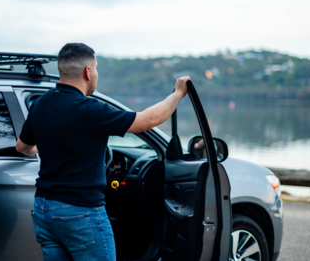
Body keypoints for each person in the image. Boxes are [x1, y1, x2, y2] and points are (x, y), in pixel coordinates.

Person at [16, 43, 190, 261]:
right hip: (81, 212)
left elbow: (22, 147)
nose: (96, 74)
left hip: (44, 209)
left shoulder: (41, 104)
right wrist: (178, 94)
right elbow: (148, 120)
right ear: (88, 72)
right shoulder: (90, 109)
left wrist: (49, 141)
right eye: (96, 68)